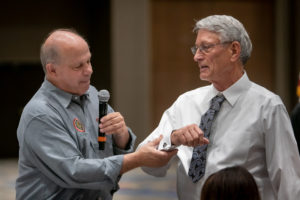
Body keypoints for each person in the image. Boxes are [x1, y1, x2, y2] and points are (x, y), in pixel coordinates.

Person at [138, 15, 300, 200]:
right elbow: (146, 163)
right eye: (196, 48)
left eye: (205, 47)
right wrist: (173, 138)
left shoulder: (268, 106)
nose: (196, 56)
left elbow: (289, 182)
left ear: (234, 50)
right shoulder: (186, 103)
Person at [16, 29, 177, 200]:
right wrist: (137, 159)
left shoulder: (92, 95)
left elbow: (106, 154)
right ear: (52, 70)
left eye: (89, 61)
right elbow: (74, 172)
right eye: (78, 66)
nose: (89, 70)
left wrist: (121, 136)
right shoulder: (40, 114)